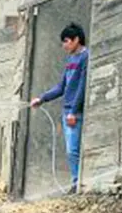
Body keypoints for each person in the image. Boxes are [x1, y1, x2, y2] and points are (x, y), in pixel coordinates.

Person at [29, 22, 90, 193]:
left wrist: (73, 111)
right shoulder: (71, 59)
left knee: (73, 150)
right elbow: (62, 87)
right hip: (68, 112)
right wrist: (42, 98)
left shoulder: (86, 57)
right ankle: (76, 182)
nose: (64, 45)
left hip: (75, 112)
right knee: (72, 150)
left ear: (76, 40)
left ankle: (78, 183)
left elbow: (82, 87)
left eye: (66, 41)